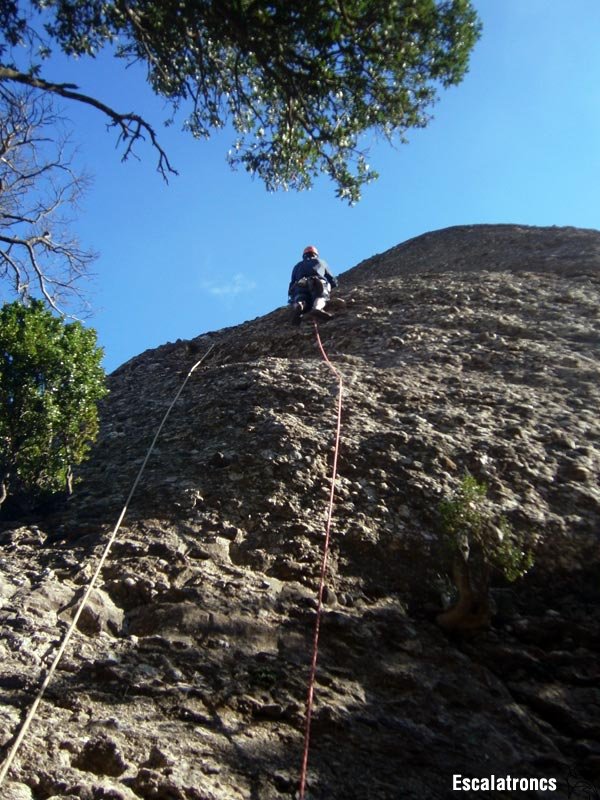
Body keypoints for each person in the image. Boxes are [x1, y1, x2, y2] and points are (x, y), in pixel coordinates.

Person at [288, 245, 338, 324]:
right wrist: (333, 285)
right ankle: (317, 308)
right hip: (316, 282)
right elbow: (331, 278)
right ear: (315, 254)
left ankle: (299, 306)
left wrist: (291, 294)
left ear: (304, 255)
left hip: (300, 285)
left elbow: (292, 282)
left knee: (301, 298)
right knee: (321, 296)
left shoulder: (297, 266)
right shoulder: (320, 262)